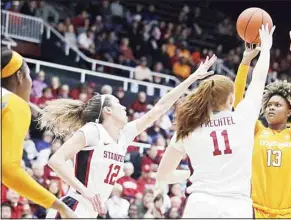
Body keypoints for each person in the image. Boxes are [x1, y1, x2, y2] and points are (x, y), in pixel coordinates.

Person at [41, 55, 218, 218]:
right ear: (108, 111)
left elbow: (160, 108)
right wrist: (84, 191)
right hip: (74, 205)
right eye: (118, 104)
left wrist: (192, 78)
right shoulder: (93, 130)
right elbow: (55, 161)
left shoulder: (125, 134)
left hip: (90, 211)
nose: (124, 107)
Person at [155, 24, 275, 218]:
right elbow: (259, 79)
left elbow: (162, 176)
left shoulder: (188, 129)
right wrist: (266, 48)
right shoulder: (243, 117)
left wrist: (190, 175)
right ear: (230, 99)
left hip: (201, 203)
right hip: (237, 205)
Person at [233, 28, 291, 218]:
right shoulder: (257, 130)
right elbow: (237, 103)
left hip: (285, 214)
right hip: (253, 211)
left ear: (289, 110)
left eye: (277, 105)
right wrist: (245, 63)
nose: (271, 108)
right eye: (268, 105)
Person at [1, 48, 77, 218]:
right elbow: (8, 170)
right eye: (30, 76)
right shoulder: (14, 104)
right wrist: (60, 206)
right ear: (19, 76)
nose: (30, 82)